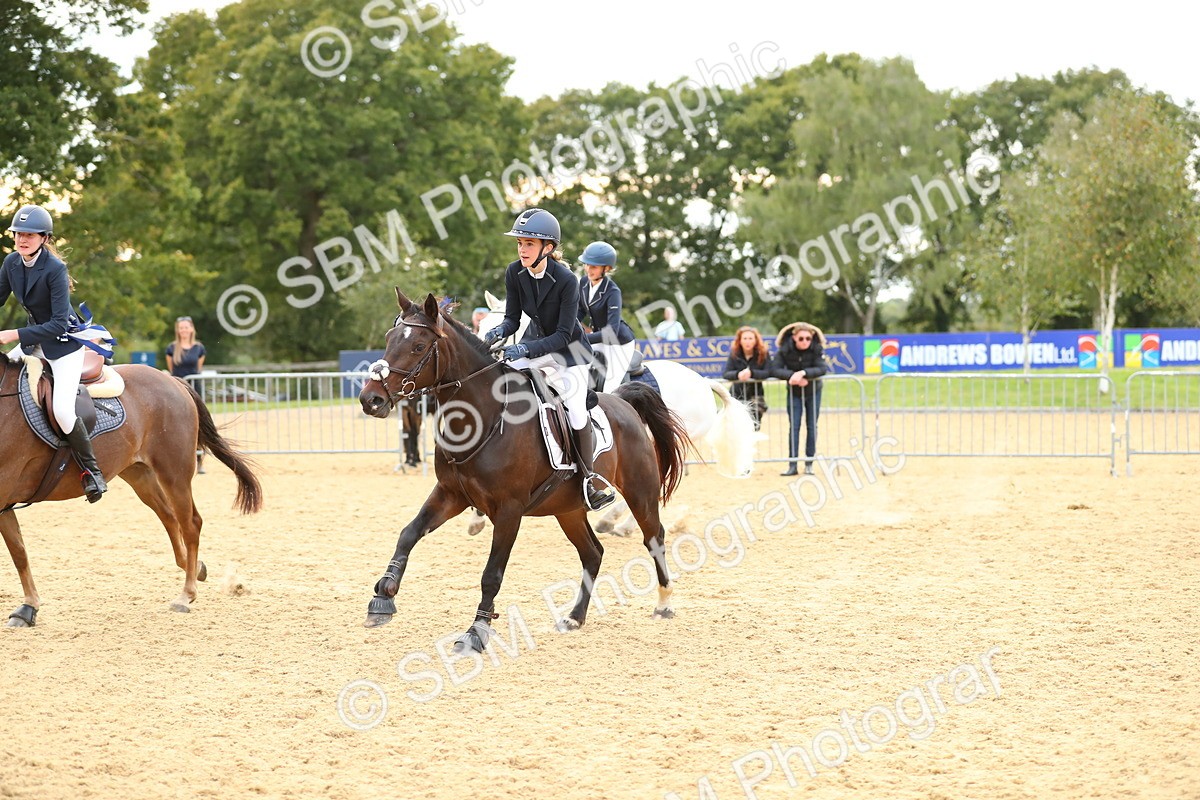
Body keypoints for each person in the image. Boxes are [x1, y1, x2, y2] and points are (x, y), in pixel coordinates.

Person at [482, 208, 615, 511]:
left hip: (570, 354)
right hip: (534, 344)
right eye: (520, 243)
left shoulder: (567, 280)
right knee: (499, 384)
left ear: (548, 248)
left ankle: (588, 480)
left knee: (575, 409)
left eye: (529, 243)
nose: (522, 249)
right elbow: (513, 320)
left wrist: (525, 351)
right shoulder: (514, 272)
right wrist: (497, 333)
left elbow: (564, 334)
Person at [0, 205, 108, 501]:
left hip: (62, 345)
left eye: (29, 235)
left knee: (61, 409)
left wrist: (12, 334)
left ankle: (92, 472)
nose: (22, 239)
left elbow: (58, 322)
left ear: (44, 238)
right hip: (33, 340)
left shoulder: (55, 269)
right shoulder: (11, 263)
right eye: (18, 234)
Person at [577, 241, 636, 393]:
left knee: (610, 388)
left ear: (607, 268)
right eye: (587, 265)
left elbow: (611, 332)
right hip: (599, 339)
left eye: (594, 267)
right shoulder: (583, 283)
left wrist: (582, 338)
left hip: (618, 342)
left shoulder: (612, 291)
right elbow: (579, 311)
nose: (588, 270)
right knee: (571, 366)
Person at [771, 321, 828, 476]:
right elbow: (774, 369)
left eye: (808, 338)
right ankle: (793, 465)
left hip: (814, 391)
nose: (805, 342)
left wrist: (803, 373)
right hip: (794, 393)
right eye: (801, 338)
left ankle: (809, 464)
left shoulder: (816, 348)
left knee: (811, 426)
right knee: (794, 427)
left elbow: (822, 368)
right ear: (794, 337)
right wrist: (792, 377)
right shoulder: (785, 349)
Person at [166, 315, 207, 473]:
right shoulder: (171, 348)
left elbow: (197, 369)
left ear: (191, 329)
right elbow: (172, 370)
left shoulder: (199, 348)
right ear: (178, 330)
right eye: (181, 327)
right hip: (176, 389)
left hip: (194, 388)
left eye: (186, 327)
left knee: (197, 425)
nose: (184, 330)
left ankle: (199, 458)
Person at [722, 325, 771, 431]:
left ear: (755, 340)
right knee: (737, 428)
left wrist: (752, 373)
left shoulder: (763, 354)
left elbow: (768, 372)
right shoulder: (734, 354)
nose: (747, 341)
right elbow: (726, 373)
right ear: (740, 340)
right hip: (737, 395)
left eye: (750, 338)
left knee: (754, 427)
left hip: (756, 395)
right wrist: (738, 375)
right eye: (745, 338)